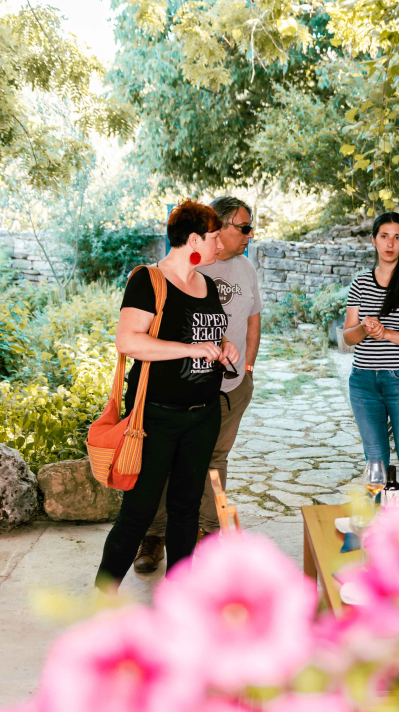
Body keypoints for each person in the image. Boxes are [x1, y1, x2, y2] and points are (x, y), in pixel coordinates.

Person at [96, 200, 240, 590]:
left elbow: (205, 333)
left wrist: (222, 346)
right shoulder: (148, 280)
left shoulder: (206, 283)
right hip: (155, 418)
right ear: (193, 239)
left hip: (203, 414)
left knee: (185, 510)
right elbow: (128, 340)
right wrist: (190, 349)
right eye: (213, 238)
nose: (220, 246)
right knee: (139, 513)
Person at [133, 197, 262, 573]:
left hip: (232, 386)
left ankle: (209, 533)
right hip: (179, 393)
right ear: (214, 229)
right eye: (242, 227)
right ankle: (154, 536)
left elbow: (252, 319)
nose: (248, 234)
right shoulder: (177, 273)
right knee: (165, 465)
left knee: (215, 461)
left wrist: (247, 365)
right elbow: (141, 334)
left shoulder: (244, 269)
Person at [343, 212, 399, 480]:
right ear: (374, 240)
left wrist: (386, 334)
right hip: (363, 383)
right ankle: (381, 521)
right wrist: (363, 329)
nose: (390, 244)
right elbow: (348, 337)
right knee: (375, 465)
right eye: (384, 237)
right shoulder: (360, 282)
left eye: (397, 237)